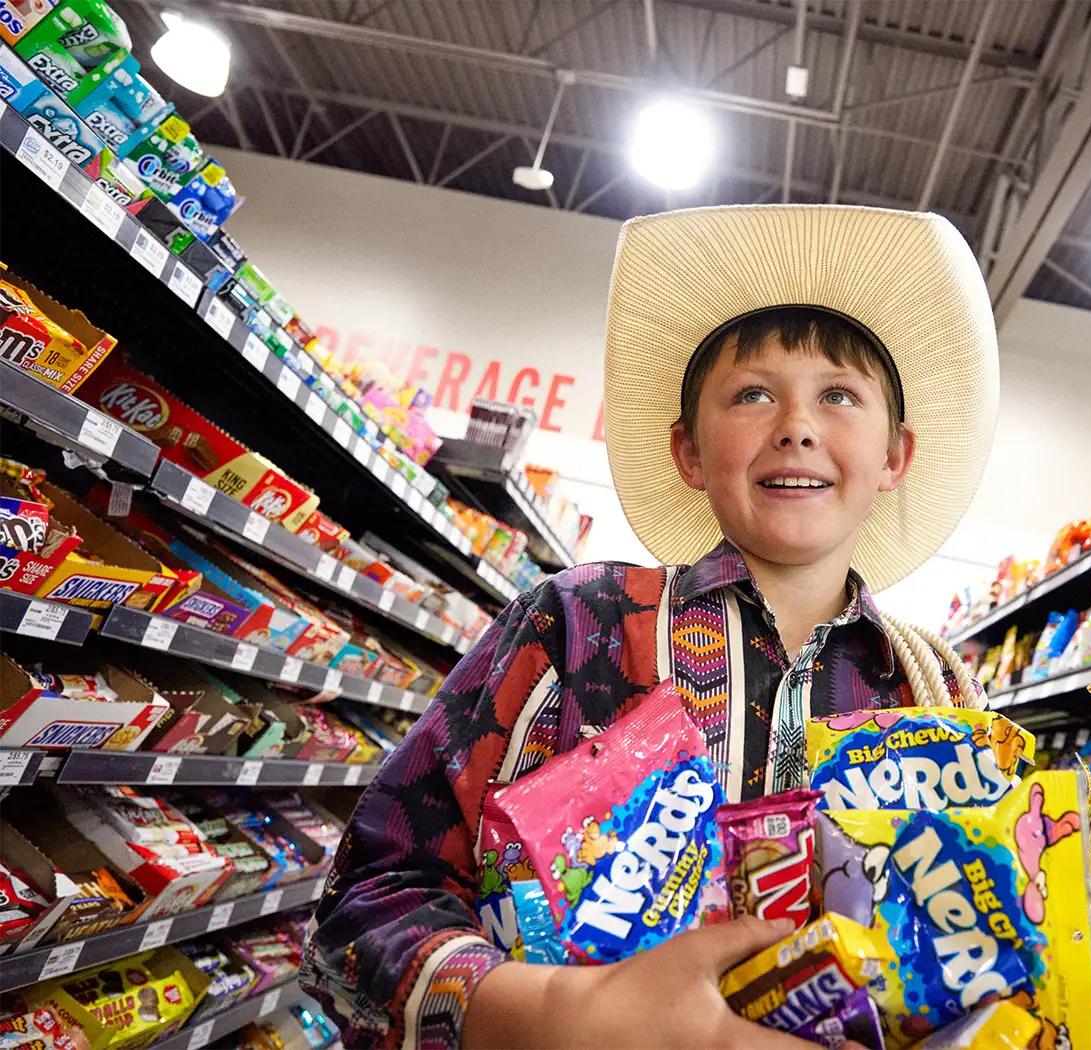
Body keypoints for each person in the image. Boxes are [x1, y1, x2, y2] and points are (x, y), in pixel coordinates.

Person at [302, 204, 1000, 1048]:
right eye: (751, 394)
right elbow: (373, 892)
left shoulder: (938, 694)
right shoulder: (579, 623)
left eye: (839, 395)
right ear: (689, 453)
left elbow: (981, 947)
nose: (797, 425)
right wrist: (559, 1017)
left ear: (895, 456)